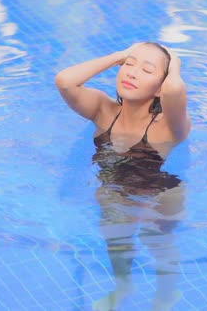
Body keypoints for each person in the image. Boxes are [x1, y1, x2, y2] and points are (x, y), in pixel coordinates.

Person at [55, 42, 191, 311]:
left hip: (162, 188)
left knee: (157, 239)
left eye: (147, 70)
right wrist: (118, 55)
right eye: (129, 65)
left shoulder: (169, 126)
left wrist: (174, 63)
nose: (132, 73)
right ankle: (124, 286)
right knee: (114, 233)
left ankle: (166, 295)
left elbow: (175, 89)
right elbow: (65, 81)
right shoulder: (103, 111)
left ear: (160, 88)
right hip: (116, 187)